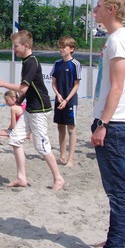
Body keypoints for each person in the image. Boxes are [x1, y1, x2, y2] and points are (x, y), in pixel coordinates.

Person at [89, 0, 125, 248]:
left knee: (117, 189)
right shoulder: (116, 39)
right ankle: (113, 239)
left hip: (115, 123)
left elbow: (117, 88)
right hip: (114, 120)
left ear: (110, 8)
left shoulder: (119, 41)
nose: (94, 9)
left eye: (98, 5)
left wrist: (103, 124)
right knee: (114, 188)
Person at [0, 30, 65, 191]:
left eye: (16, 46)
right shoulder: (26, 61)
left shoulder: (31, 62)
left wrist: (2, 84)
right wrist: (19, 100)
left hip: (39, 109)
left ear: (25, 46)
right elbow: (28, 89)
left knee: (41, 146)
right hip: (31, 108)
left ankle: (58, 178)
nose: (14, 49)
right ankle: (21, 177)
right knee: (15, 139)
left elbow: (23, 87)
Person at [51, 36, 82, 166]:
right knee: (60, 127)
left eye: (64, 47)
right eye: (60, 47)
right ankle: (62, 155)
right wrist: (58, 95)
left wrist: (67, 99)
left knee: (71, 129)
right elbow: (53, 83)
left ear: (71, 49)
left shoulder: (75, 64)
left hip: (70, 101)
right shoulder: (57, 64)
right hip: (59, 99)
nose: (61, 50)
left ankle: (70, 159)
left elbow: (76, 84)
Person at [0, 90, 28, 187]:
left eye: (7, 100)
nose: (6, 103)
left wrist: (6, 131)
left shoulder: (14, 108)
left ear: (13, 99)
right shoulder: (24, 105)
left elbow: (13, 125)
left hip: (18, 131)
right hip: (26, 130)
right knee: (4, 133)